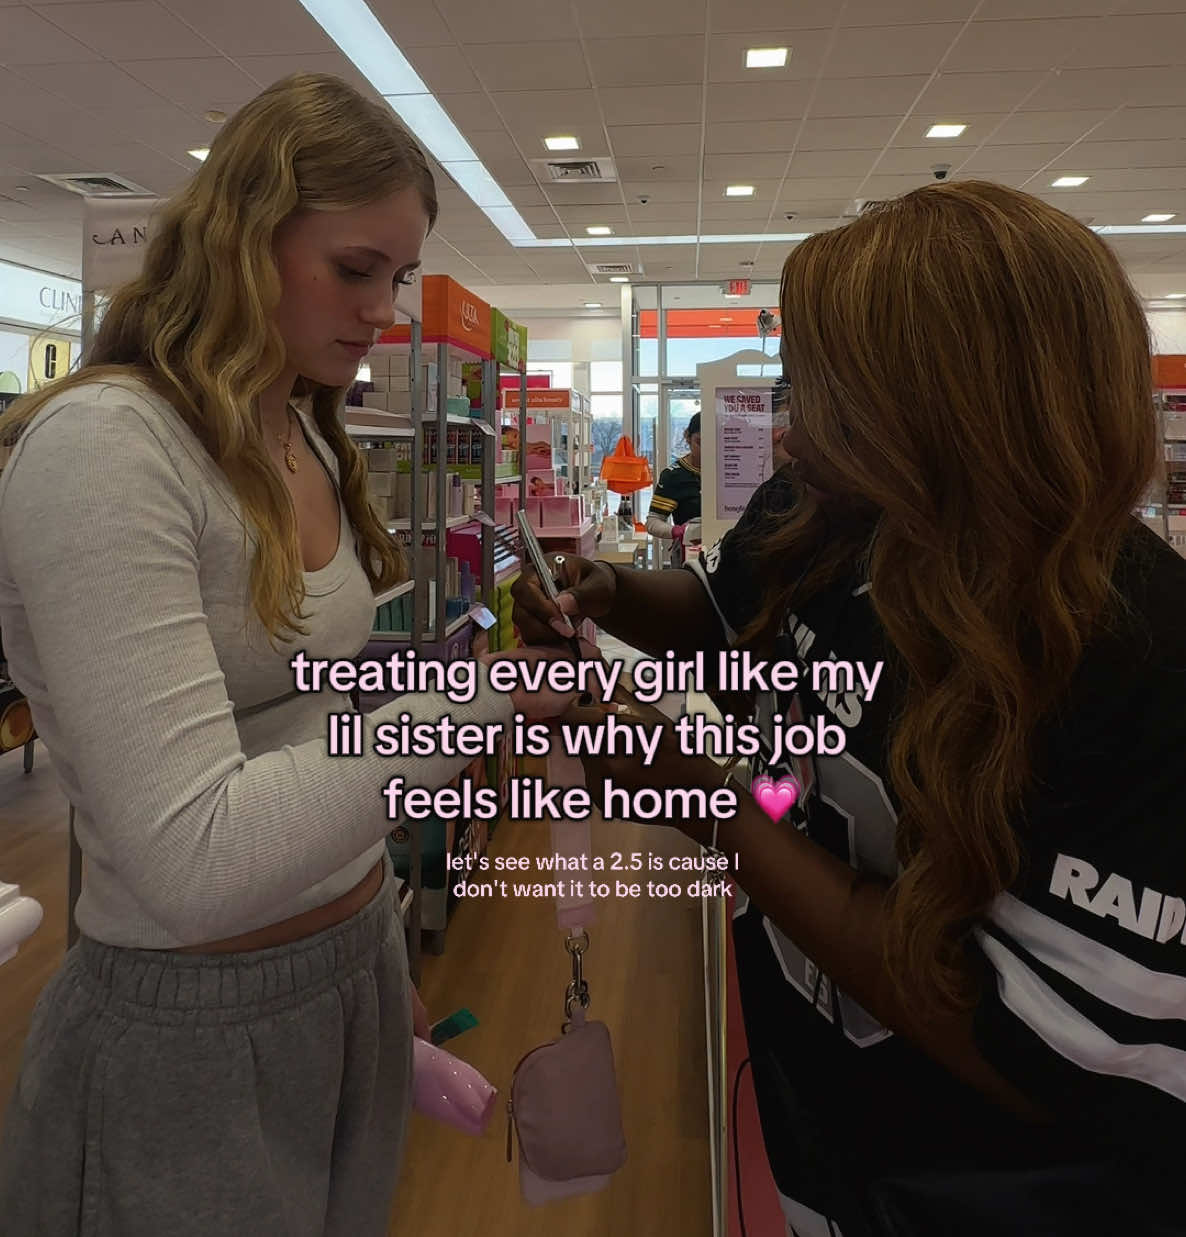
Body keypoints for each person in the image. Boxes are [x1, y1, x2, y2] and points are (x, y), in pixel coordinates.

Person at [514, 181, 1186, 1237]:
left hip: (969, 1182)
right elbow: (727, 618)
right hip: (808, 1105)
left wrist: (711, 804)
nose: (784, 435)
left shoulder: (1130, 654)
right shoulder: (826, 512)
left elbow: (1027, 1043)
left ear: (947, 406)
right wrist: (609, 590)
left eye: (823, 394)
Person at [0, 74, 550, 1237]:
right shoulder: (108, 449)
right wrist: (487, 697)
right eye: (357, 270)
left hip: (349, 966)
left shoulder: (295, 423)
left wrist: (372, 985)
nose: (388, 310)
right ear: (243, 241)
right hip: (186, 1036)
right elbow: (197, 860)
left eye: (397, 276)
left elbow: (305, 717)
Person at [646, 411, 702, 541]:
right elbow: (653, 521)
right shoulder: (674, 475)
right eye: (699, 442)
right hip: (688, 551)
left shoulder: (729, 472)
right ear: (687, 437)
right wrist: (676, 531)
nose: (706, 449)